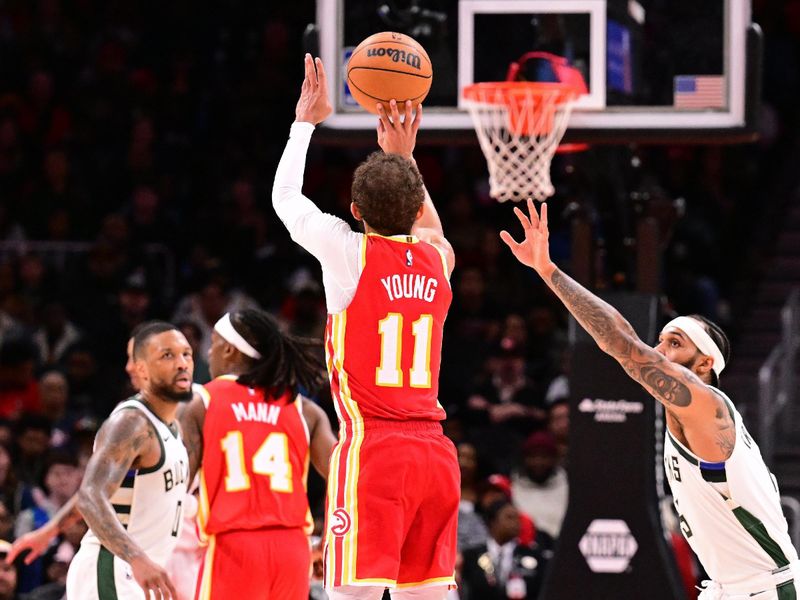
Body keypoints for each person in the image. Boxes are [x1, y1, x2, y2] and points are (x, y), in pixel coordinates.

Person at [500, 200, 799, 599]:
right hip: (730, 587)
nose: (659, 351)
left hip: (762, 590)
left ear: (706, 361)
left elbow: (624, 345)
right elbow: (631, 342)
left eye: (673, 343)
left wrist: (549, 271)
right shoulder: (690, 412)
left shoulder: (706, 407)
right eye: (660, 341)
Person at [273, 54, 458, 600]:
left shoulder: (350, 254)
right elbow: (429, 225)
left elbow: (286, 199)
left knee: (350, 593)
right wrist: (404, 159)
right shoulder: (438, 259)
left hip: (375, 448)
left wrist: (306, 120)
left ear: (354, 209)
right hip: (434, 452)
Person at [177, 308, 336, 599]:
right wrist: (330, 538)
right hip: (293, 549)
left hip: (234, 545)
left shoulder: (203, 402)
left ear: (228, 349)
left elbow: (178, 485)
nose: (209, 352)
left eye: (213, 343)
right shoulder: (304, 409)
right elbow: (345, 478)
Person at [57, 321, 191, 599]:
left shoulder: (173, 426)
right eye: (167, 355)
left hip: (143, 573)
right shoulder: (131, 423)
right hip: (115, 568)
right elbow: (90, 496)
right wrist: (138, 559)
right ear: (141, 369)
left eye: (186, 354)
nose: (181, 363)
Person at [459, 499, 548, 600]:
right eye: (509, 517)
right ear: (493, 521)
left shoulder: (533, 555)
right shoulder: (472, 555)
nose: (516, 523)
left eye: (518, 518)